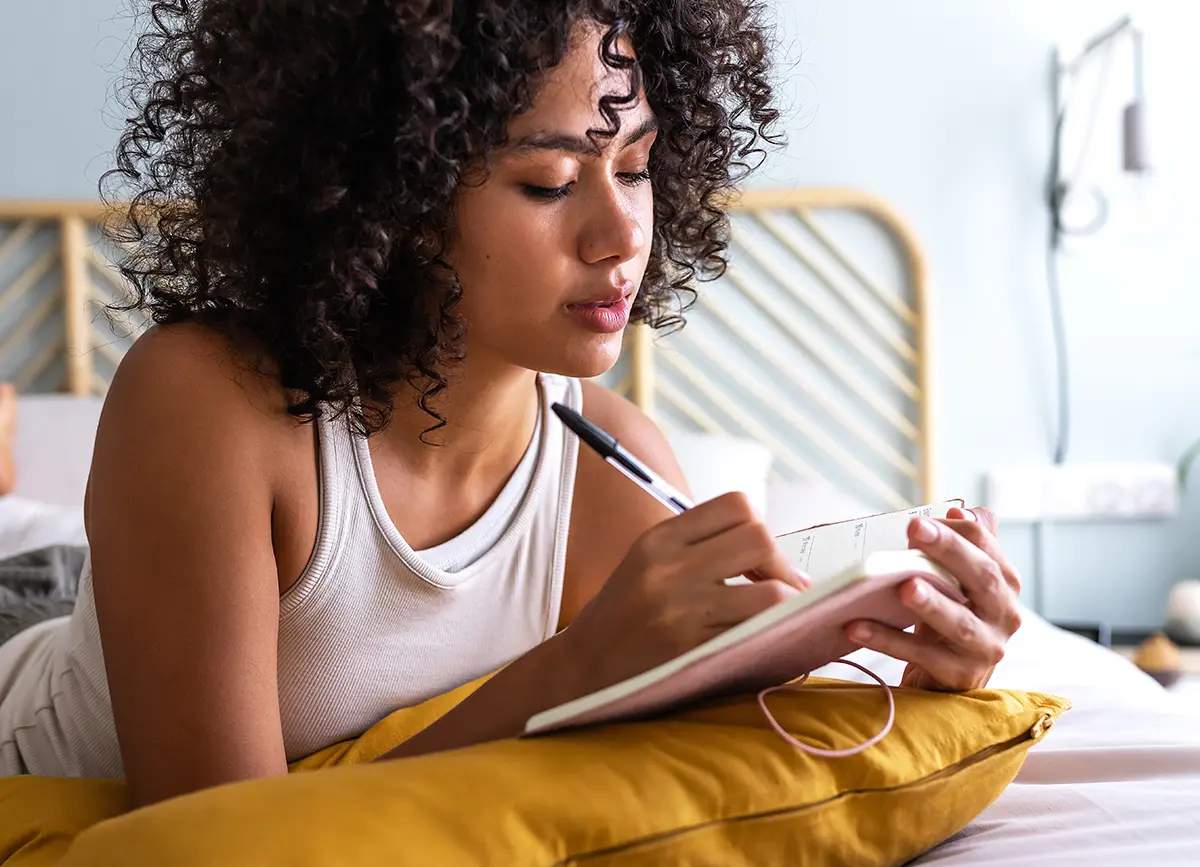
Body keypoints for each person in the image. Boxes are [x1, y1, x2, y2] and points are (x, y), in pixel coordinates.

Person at [0, 0, 1023, 807]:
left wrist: (912, 658)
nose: (621, 235)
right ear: (388, 195)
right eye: (547, 182)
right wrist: (582, 665)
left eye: (636, 166)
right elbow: (215, 837)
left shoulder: (615, 471)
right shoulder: (209, 403)